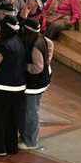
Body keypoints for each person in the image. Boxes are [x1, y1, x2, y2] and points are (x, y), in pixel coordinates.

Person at [0, 14, 26, 156]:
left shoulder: (3, 45)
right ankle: (11, 146)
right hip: (18, 86)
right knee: (12, 119)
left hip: (2, 87)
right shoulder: (19, 42)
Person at [20, 18, 53, 150]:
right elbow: (50, 44)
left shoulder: (35, 44)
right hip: (36, 82)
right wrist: (48, 59)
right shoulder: (41, 39)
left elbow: (38, 67)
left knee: (31, 112)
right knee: (27, 110)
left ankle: (31, 141)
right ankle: (25, 136)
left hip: (35, 84)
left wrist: (23, 66)